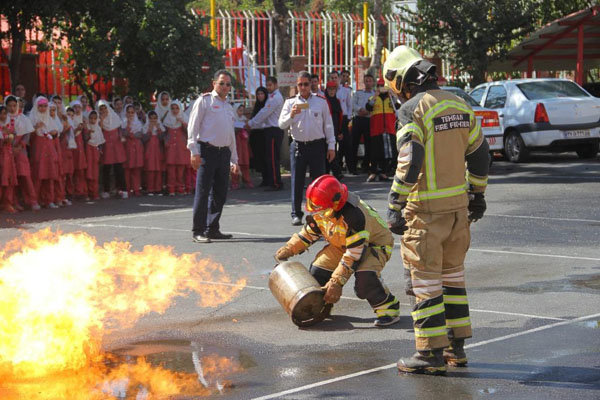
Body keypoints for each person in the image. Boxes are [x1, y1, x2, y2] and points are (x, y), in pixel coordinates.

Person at [383, 45, 490, 375]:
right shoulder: (458, 104)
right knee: (452, 279)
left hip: (425, 214)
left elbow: (410, 160)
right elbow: (481, 154)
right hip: (458, 212)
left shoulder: (412, 109)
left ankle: (429, 355)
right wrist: (478, 194)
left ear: (403, 80)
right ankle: (456, 349)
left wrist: (394, 204)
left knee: (424, 282)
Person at [275, 174, 400, 327]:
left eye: (322, 211)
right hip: (341, 245)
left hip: (373, 245)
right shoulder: (322, 208)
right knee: (316, 274)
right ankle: (322, 308)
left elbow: (353, 256)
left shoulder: (354, 217)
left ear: (336, 204)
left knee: (364, 280)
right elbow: (309, 233)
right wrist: (289, 249)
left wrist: (336, 282)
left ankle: (388, 309)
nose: (318, 214)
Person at [187, 69, 239, 243]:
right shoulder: (204, 101)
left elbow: (230, 134)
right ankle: (198, 231)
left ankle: (212, 228)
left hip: (224, 152)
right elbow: (193, 127)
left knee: (220, 192)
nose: (225, 87)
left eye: (228, 84)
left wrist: (234, 159)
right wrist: (193, 151)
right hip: (207, 151)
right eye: (222, 83)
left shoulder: (228, 106)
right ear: (214, 83)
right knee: (202, 192)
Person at [278, 71, 335, 226]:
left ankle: (318, 213)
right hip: (298, 146)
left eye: (306, 84)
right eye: (300, 84)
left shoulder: (320, 101)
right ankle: (296, 213)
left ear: (311, 84)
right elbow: (281, 124)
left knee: (318, 183)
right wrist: (291, 114)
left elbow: (328, 125)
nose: (302, 87)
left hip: (317, 145)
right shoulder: (290, 102)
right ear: (296, 86)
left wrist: (331, 146)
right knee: (297, 181)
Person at [246, 76, 284, 191]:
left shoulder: (275, 98)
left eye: (270, 85)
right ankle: (273, 181)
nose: (268, 87)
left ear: (276, 85)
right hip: (270, 130)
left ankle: (276, 183)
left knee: (272, 158)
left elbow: (264, 113)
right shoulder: (272, 97)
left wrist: (251, 123)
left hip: (273, 130)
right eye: (267, 85)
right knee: (270, 157)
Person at [5, 95, 39, 211]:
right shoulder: (3, 118)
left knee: (25, 175)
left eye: (14, 105)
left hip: (21, 150)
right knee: (11, 177)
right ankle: (12, 202)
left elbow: (27, 134)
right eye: (9, 106)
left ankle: (32, 200)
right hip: (7, 151)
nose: (12, 108)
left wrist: (20, 146)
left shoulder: (24, 118)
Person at [29, 97, 60, 208]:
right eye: (40, 106)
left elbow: (56, 133)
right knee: (37, 174)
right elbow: (28, 137)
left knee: (49, 174)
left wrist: (54, 132)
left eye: (45, 106)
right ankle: (35, 200)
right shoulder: (32, 117)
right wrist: (34, 128)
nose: (43, 108)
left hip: (48, 148)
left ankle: (49, 199)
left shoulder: (49, 119)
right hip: (38, 149)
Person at [365, 78, 397, 182]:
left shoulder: (391, 99)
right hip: (376, 129)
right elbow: (368, 107)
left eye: (383, 86)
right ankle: (373, 172)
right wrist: (376, 96)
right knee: (374, 152)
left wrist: (392, 94)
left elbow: (398, 107)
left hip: (389, 129)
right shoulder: (373, 98)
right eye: (379, 86)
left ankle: (383, 172)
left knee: (387, 153)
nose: (381, 88)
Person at [97, 99, 128, 199]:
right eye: (101, 109)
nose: (103, 110)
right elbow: (99, 129)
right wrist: (101, 119)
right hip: (106, 145)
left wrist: (121, 137)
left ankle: (122, 190)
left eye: (104, 108)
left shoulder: (114, 116)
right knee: (106, 168)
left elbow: (120, 128)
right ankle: (106, 190)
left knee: (119, 168)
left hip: (116, 145)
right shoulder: (98, 118)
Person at [350, 73, 375, 174]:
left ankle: (366, 165)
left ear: (373, 82)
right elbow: (353, 104)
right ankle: (352, 167)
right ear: (364, 82)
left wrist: (368, 112)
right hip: (358, 119)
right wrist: (360, 109)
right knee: (354, 143)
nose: (368, 82)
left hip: (369, 120)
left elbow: (375, 106)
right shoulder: (358, 93)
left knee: (369, 144)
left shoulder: (375, 94)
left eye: (370, 80)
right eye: (366, 80)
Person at [163, 100, 190, 195]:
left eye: (177, 108)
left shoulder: (184, 117)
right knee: (171, 169)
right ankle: (171, 189)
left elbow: (189, 132)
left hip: (181, 147)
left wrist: (182, 122)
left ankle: (180, 188)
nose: (174, 110)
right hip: (170, 148)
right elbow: (163, 133)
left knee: (180, 169)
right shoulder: (167, 119)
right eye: (172, 108)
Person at [329, 70, 352, 172]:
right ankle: (335, 167)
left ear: (339, 79)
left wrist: (349, 119)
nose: (334, 80)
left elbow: (349, 105)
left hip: (344, 119)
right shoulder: (328, 91)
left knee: (346, 144)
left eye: (335, 78)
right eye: (332, 78)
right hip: (333, 120)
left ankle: (349, 167)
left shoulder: (346, 91)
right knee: (332, 143)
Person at [122, 104, 144, 196]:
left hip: (136, 147)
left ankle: (136, 189)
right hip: (127, 147)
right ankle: (128, 189)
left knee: (136, 169)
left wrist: (131, 135)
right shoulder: (122, 122)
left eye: (132, 112)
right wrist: (128, 124)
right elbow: (124, 133)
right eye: (128, 112)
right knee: (127, 169)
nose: (130, 114)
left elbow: (140, 134)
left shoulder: (138, 123)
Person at [323, 80, 344, 180]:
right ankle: (328, 172)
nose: (331, 91)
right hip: (325, 129)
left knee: (333, 151)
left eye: (333, 89)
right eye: (330, 89)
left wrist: (340, 131)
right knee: (326, 152)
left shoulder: (337, 101)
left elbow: (340, 116)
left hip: (335, 129)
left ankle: (336, 172)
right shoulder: (324, 100)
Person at [0, 105, 18, 213]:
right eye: (1, 113)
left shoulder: (10, 124)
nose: (3, 115)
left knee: (9, 179)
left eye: (4, 113)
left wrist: (10, 136)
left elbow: (13, 138)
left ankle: (7, 203)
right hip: (1, 155)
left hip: (8, 156)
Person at [142, 110, 165, 196]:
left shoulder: (160, 127)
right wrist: (149, 130)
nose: (153, 120)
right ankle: (150, 189)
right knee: (150, 170)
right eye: (151, 118)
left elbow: (162, 138)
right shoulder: (145, 127)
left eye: (155, 118)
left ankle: (158, 189)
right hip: (149, 152)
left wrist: (158, 129)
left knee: (158, 170)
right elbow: (144, 139)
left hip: (158, 152)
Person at [248, 86, 268, 186]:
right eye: (258, 94)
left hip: (264, 134)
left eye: (262, 94)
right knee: (259, 157)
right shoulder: (257, 106)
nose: (260, 96)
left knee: (266, 157)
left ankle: (268, 178)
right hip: (256, 135)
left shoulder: (267, 106)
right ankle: (264, 179)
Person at [84, 110, 105, 200]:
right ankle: (88, 192)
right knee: (89, 172)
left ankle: (95, 193)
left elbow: (100, 141)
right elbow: (85, 139)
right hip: (88, 149)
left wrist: (100, 150)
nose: (93, 120)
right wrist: (88, 132)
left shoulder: (98, 128)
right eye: (91, 118)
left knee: (95, 172)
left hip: (95, 150)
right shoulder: (87, 127)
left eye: (94, 118)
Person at [231, 104, 252, 189]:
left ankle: (247, 180)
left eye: (242, 110)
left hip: (244, 143)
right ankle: (235, 181)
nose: (241, 112)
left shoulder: (244, 119)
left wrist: (246, 127)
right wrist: (238, 128)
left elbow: (249, 129)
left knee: (245, 162)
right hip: (236, 143)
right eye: (239, 110)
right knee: (236, 162)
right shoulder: (232, 119)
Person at [70, 100, 88, 198]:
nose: (77, 109)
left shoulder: (83, 118)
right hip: (73, 145)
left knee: (81, 169)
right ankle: (73, 191)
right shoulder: (70, 119)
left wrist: (85, 128)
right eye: (75, 107)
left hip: (81, 145)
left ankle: (82, 190)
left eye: (79, 107)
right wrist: (77, 129)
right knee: (73, 169)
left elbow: (86, 136)